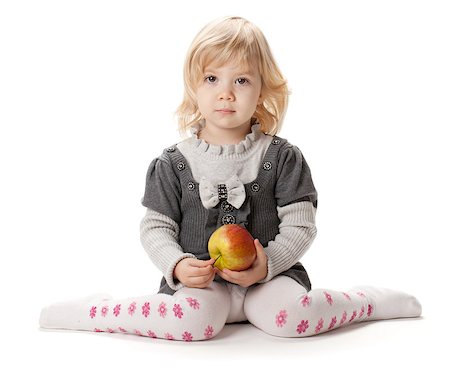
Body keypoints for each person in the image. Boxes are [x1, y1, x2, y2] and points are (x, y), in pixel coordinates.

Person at [39, 16, 422, 341]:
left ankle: (367, 303)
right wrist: (175, 265)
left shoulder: (282, 157)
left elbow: (301, 223)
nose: (225, 93)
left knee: (289, 320)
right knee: (193, 322)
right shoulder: (173, 163)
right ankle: (97, 313)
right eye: (211, 79)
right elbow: (155, 227)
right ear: (193, 86)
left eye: (241, 81)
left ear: (261, 90)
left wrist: (268, 263)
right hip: (203, 284)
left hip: (270, 278)